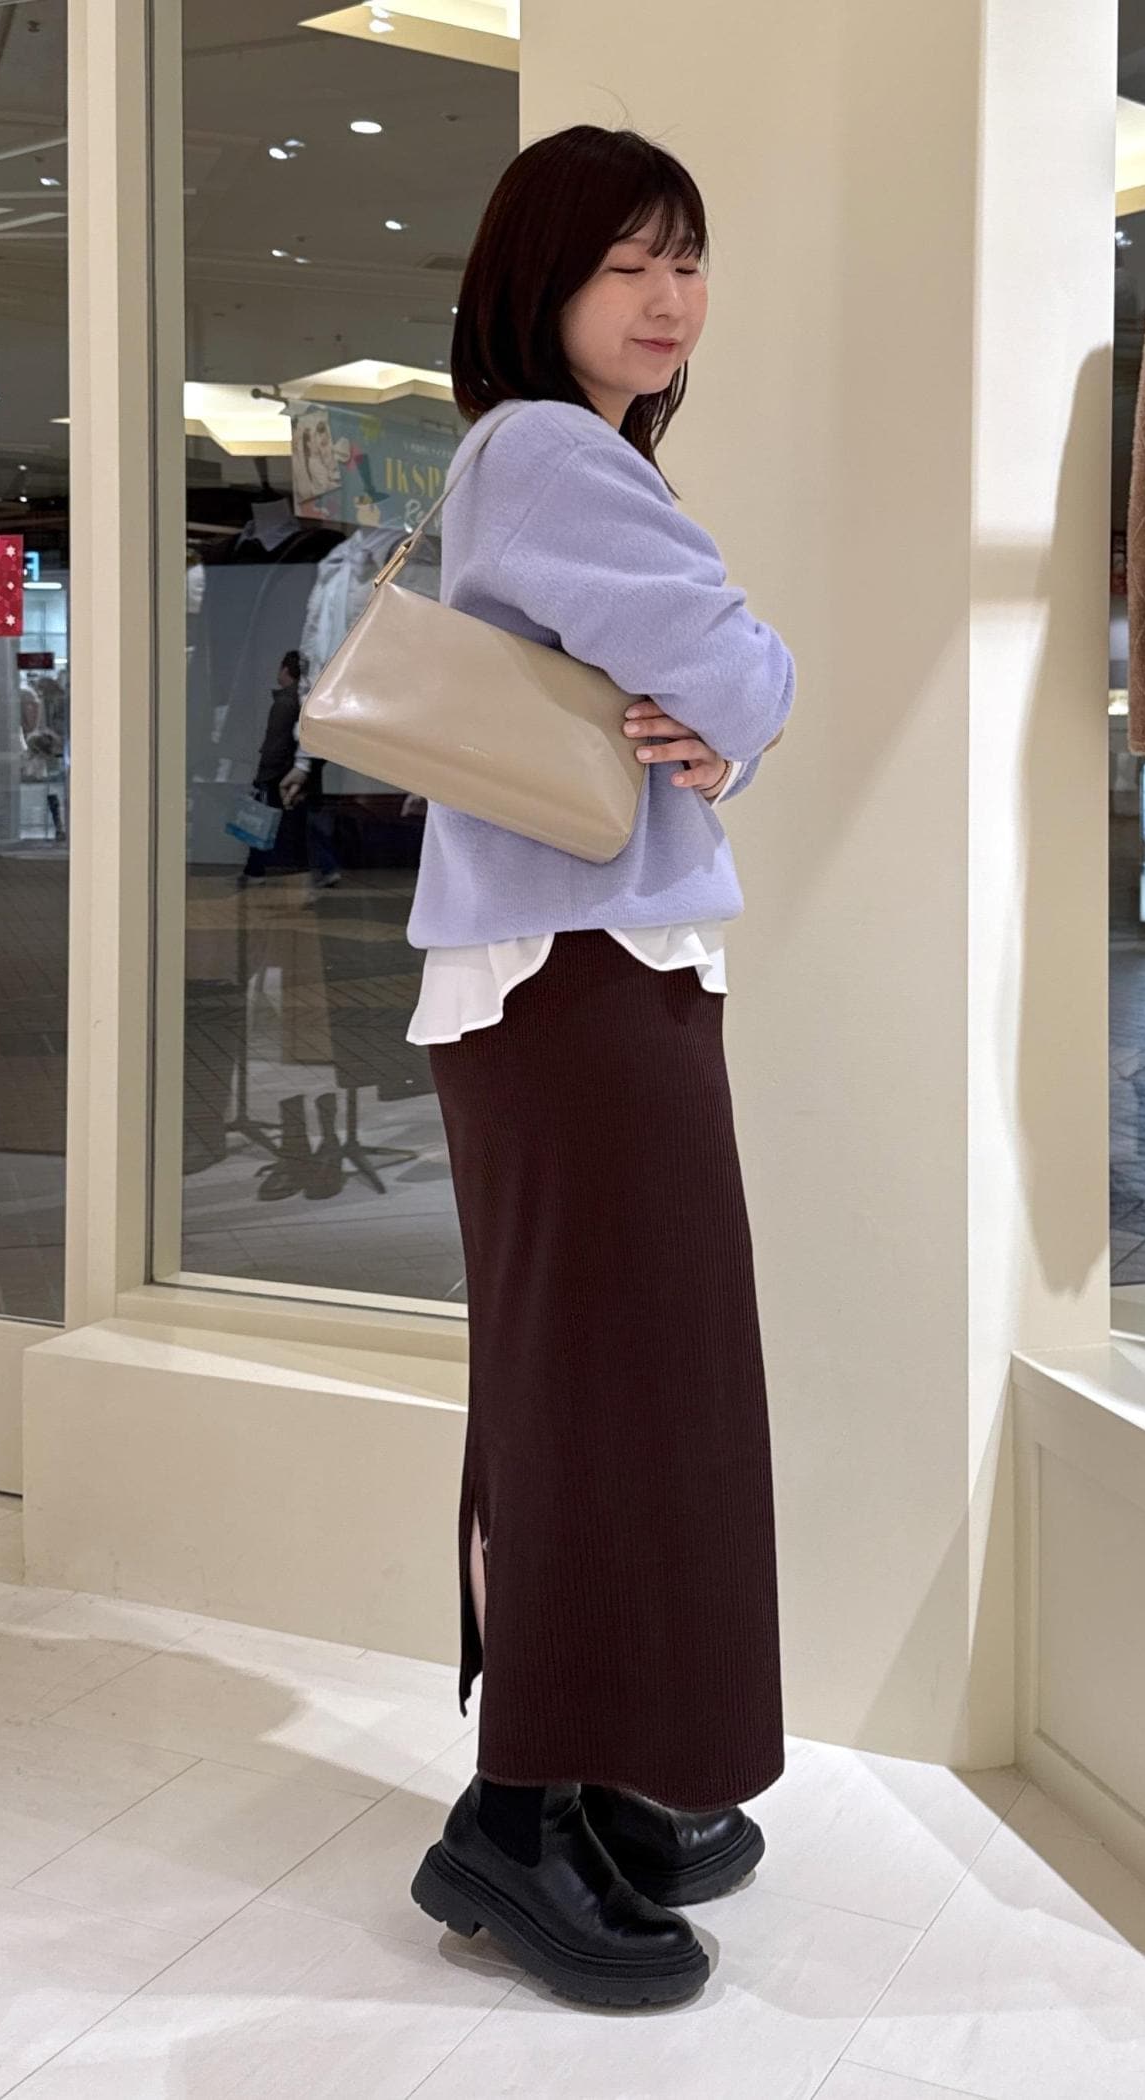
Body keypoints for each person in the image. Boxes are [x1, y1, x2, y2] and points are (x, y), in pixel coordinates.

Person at [405, 125, 795, 2010]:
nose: (669, 297)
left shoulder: (561, 457)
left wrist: (724, 719)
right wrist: (750, 700)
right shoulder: (549, 451)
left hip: (575, 969)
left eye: (687, 261)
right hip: (573, 980)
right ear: (538, 282)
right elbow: (731, 658)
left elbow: (702, 682)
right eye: (627, 262)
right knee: (605, 1389)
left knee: (608, 1378)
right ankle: (518, 1815)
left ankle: (592, 1770)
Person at [239, 649, 337, 888]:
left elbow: (276, 743)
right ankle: (328, 867)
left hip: (278, 775)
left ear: (285, 670)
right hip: (304, 773)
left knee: (261, 823)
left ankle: (255, 870)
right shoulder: (308, 701)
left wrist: (263, 775)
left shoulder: (285, 702)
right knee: (311, 825)